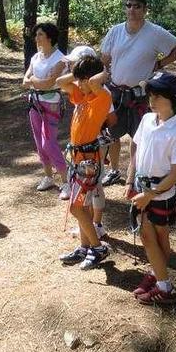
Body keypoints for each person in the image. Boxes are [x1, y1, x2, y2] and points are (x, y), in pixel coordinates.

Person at [99, 0, 176, 186]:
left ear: (145, 10)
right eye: (128, 5)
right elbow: (104, 59)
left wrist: (160, 63)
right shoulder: (115, 31)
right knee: (112, 133)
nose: (132, 9)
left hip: (141, 93)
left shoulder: (155, 32)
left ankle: (134, 174)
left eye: (137, 6)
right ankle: (114, 170)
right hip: (116, 91)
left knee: (138, 135)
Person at [125, 73, 176, 304]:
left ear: (172, 98)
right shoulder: (147, 120)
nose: (152, 99)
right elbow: (135, 146)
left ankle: (164, 285)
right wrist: (130, 180)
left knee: (156, 235)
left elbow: (175, 173)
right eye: (150, 94)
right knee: (148, 234)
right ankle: (158, 273)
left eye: (158, 95)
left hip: (161, 193)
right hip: (143, 189)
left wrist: (149, 194)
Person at [56, 54, 112, 270]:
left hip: (89, 160)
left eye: (83, 80)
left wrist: (101, 71)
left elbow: (97, 82)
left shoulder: (102, 96)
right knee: (84, 206)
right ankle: (85, 246)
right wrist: (79, 73)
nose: (78, 84)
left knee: (76, 207)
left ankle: (97, 248)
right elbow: (61, 82)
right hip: (78, 159)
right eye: (78, 80)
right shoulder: (82, 95)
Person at [23, 22, 70, 200]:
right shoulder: (36, 57)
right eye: (36, 35)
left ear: (49, 37)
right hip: (34, 102)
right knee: (38, 142)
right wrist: (35, 81)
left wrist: (33, 80)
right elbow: (24, 80)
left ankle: (66, 181)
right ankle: (48, 176)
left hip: (51, 103)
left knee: (48, 143)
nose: (37, 38)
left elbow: (49, 83)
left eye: (40, 34)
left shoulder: (60, 58)